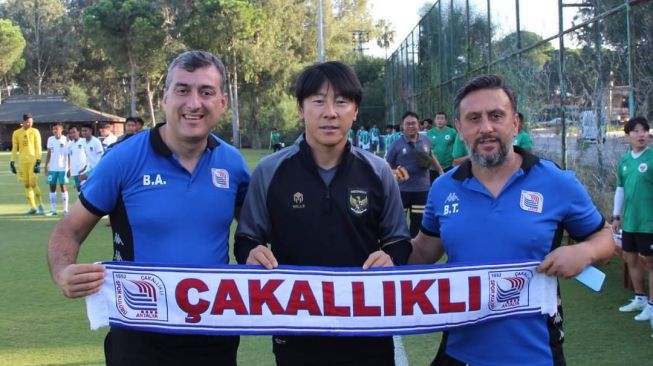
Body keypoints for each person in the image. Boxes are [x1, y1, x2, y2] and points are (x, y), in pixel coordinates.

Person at [47, 50, 250, 365]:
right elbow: (69, 229)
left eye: (206, 92)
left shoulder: (232, 163)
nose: (194, 103)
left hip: (213, 331)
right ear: (165, 97)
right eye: (183, 90)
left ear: (222, 102)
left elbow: (255, 233)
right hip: (139, 333)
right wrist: (62, 272)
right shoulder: (123, 159)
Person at [409, 74, 614, 366]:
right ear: (460, 128)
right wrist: (383, 255)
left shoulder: (556, 181)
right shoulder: (443, 188)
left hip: (535, 353)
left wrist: (584, 251)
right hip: (459, 352)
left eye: (496, 116)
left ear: (515, 123)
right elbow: (421, 251)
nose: (486, 128)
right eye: (474, 118)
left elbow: (605, 238)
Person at [234, 61, 411, 366]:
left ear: (354, 111)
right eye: (318, 101)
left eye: (341, 102)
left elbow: (398, 240)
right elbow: (247, 238)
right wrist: (252, 252)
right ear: (301, 108)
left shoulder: (378, 171)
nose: (330, 112)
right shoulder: (270, 170)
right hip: (296, 326)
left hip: (366, 326)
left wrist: (391, 258)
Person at [613, 116, 653, 322]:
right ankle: (640, 298)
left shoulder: (652, 158)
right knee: (630, 258)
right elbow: (620, 189)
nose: (642, 134)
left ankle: (652, 307)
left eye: (645, 130)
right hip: (629, 221)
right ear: (628, 136)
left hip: (649, 223)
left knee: (651, 262)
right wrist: (616, 215)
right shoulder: (625, 161)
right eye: (637, 131)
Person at [386, 111, 443, 237]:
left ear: (419, 125)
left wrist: (440, 171)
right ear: (402, 126)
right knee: (399, 222)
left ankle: (414, 250)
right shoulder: (396, 144)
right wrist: (397, 172)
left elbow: (431, 156)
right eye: (408, 124)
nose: (411, 126)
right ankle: (400, 247)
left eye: (414, 123)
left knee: (418, 223)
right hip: (402, 190)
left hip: (421, 189)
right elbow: (386, 165)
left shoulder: (426, 140)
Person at [10, 113, 45, 215]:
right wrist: (12, 161)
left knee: (33, 183)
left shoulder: (35, 132)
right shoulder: (16, 133)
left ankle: (41, 205)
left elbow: (38, 147)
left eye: (31, 122)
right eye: (28, 122)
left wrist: (38, 161)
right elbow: (14, 148)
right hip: (22, 162)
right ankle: (33, 207)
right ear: (23, 122)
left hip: (33, 161)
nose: (30, 124)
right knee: (26, 185)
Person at [44, 123, 69, 216]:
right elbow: (49, 153)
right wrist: (46, 166)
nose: (55, 131)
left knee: (63, 187)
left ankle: (65, 210)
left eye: (56, 129)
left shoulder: (66, 139)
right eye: (53, 129)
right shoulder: (50, 139)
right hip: (52, 168)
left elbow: (69, 154)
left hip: (63, 168)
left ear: (61, 130)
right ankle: (53, 210)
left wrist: (69, 167)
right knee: (52, 188)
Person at [426, 111, 458, 181]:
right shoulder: (429, 133)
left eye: (442, 118)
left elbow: (457, 147)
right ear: (435, 120)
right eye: (437, 118)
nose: (439, 120)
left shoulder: (452, 132)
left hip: (448, 166)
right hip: (433, 167)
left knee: (448, 188)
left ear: (446, 121)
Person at [65, 126, 88, 191]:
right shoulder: (70, 144)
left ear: (78, 132)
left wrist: (86, 167)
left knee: (85, 189)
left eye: (74, 132)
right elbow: (67, 155)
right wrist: (69, 168)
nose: (72, 134)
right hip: (74, 172)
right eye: (70, 133)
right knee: (79, 190)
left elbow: (88, 156)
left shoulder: (84, 141)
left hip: (83, 171)